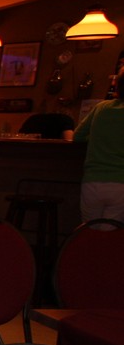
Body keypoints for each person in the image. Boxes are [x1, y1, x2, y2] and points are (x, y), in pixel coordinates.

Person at [73, 60, 124, 223]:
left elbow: (77, 136)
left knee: (89, 230)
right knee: (110, 233)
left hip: (92, 181)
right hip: (121, 184)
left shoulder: (101, 107)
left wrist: (98, 136)